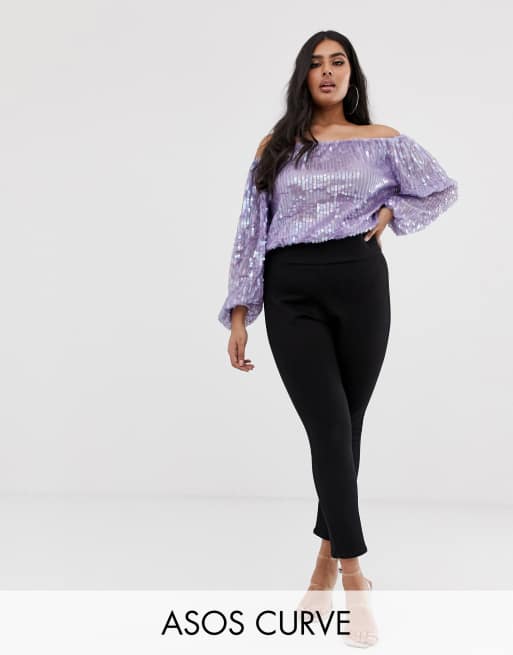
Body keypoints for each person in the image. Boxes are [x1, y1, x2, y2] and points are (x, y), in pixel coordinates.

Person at [218, 30, 458, 648]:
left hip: (360, 283)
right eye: (316, 64)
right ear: (303, 76)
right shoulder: (277, 146)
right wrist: (242, 311)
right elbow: (251, 227)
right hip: (291, 289)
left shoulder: (383, 140)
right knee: (328, 429)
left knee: (344, 431)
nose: (327, 72)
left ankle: (321, 572)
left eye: (338, 62)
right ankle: (356, 579)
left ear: (352, 74)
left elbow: (441, 188)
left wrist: (393, 213)